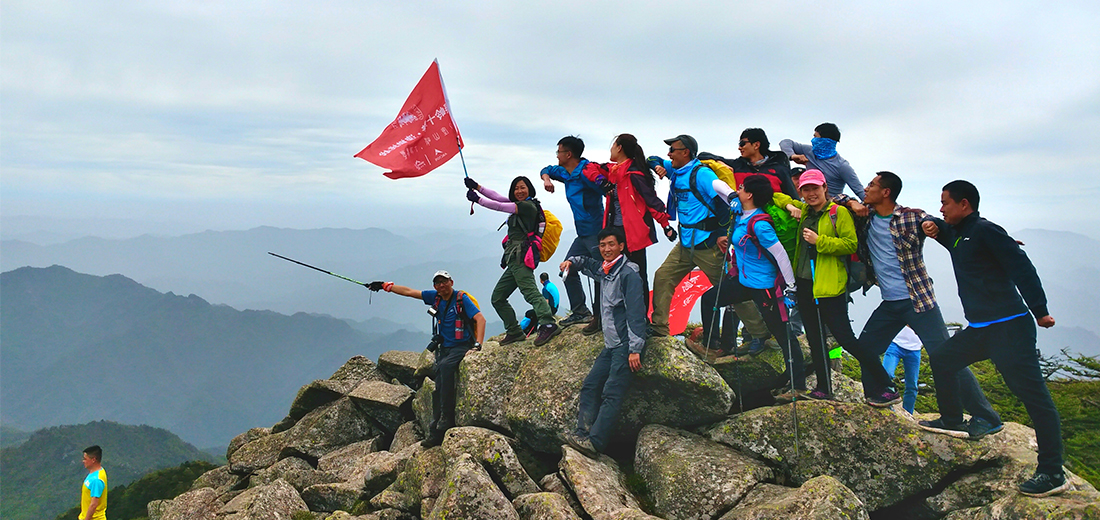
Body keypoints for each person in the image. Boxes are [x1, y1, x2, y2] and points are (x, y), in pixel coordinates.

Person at [922, 180, 1067, 497]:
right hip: (981, 329)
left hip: (1010, 328)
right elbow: (936, 224)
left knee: (1034, 398)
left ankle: (1052, 471)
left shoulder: (986, 231)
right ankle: (951, 419)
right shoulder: (957, 234)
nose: (942, 207)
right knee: (944, 359)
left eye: (946, 203)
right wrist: (928, 222)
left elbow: (1022, 269)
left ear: (964, 204)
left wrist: (1040, 310)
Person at [834, 171, 1002, 430]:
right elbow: (834, 197)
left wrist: (996, 243)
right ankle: (881, 395)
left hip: (918, 301)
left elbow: (947, 226)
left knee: (946, 357)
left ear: (886, 192)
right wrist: (851, 203)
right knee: (865, 348)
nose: (865, 189)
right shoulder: (865, 215)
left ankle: (986, 418)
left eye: (871, 185)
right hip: (890, 303)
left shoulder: (911, 216)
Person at [774, 170, 900, 405]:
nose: (811, 193)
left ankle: (886, 384)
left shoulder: (837, 213)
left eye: (815, 188)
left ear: (824, 188)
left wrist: (819, 241)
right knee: (814, 338)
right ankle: (824, 388)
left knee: (845, 339)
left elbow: (850, 244)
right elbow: (777, 197)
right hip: (805, 284)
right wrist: (792, 207)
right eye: (805, 189)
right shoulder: (805, 213)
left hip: (830, 286)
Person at [649, 134, 768, 342]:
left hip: (708, 246)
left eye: (672, 150)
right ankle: (659, 328)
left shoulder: (701, 174)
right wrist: (658, 165)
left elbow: (723, 203)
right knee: (663, 277)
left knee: (731, 292)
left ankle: (763, 335)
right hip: (686, 244)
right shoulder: (676, 170)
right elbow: (651, 159)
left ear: (685, 152)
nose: (669, 154)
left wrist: (723, 234)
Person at [368, 271, 486, 447]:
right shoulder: (436, 297)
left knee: (445, 368)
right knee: (438, 384)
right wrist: (386, 286)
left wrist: (477, 345)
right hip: (444, 347)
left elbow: (480, 319)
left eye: (444, 282)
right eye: (438, 283)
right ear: (435, 287)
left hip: (461, 346)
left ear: (451, 282)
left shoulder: (461, 299)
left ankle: (445, 421)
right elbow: (409, 292)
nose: (441, 285)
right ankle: (437, 430)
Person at [560, 227, 648, 457]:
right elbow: (587, 263)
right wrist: (570, 262)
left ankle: (595, 443)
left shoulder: (628, 274)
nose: (606, 249)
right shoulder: (606, 270)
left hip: (625, 345)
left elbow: (637, 312)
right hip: (611, 345)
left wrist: (635, 348)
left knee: (611, 393)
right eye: (602, 245)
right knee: (590, 385)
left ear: (621, 246)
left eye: (611, 244)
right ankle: (582, 433)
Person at [709, 175, 801, 389]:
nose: (737, 189)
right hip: (744, 282)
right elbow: (716, 185)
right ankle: (712, 347)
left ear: (749, 195)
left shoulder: (760, 224)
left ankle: (798, 383)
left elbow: (780, 255)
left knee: (783, 334)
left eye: (740, 188)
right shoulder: (740, 212)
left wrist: (791, 288)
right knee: (710, 298)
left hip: (764, 288)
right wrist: (732, 197)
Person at [584, 133, 676, 322]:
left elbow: (651, 201)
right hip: (613, 233)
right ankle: (609, 318)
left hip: (632, 235)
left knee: (637, 276)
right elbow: (588, 168)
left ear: (619, 148)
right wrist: (601, 181)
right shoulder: (613, 171)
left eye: (613, 146)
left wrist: (665, 224)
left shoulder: (634, 174)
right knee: (609, 273)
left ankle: (640, 319)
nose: (610, 149)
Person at [466, 176, 561, 346]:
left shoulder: (527, 206)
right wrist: (478, 187)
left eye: (523, 187)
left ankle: (548, 323)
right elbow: (497, 197)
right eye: (516, 188)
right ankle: (514, 331)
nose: (519, 191)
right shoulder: (520, 205)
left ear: (530, 189)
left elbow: (499, 206)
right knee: (498, 298)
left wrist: (478, 200)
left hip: (521, 258)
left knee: (530, 292)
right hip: (513, 259)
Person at [541, 136, 607, 332]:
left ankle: (602, 317)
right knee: (566, 269)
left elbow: (608, 192)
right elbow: (546, 170)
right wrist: (546, 180)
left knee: (601, 276)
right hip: (583, 235)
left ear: (568, 154)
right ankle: (581, 312)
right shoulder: (566, 173)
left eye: (559, 152)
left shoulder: (587, 174)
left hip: (597, 234)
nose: (557, 156)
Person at [699, 127, 799, 198]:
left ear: (756, 145)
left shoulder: (779, 169)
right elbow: (702, 155)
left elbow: (793, 198)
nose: (739, 147)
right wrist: (720, 162)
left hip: (771, 224)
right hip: (742, 222)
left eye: (742, 143)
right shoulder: (736, 165)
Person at [780, 122, 865, 201]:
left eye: (816, 137)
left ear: (825, 140)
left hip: (831, 205)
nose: (812, 140)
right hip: (809, 202)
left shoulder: (842, 166)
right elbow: (785, 142)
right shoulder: (809, 151)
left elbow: (859, 191)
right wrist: (792, 156)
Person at [882, 326, 922, 415]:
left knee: (912, 385)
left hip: (915, 349)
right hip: (895, 344)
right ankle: (886, 403)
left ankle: (908, 413)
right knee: (886, 374)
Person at [80, 445, 107, 520]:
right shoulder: (95, 472)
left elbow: (94, 504)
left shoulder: (97, 480)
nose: (83, 461)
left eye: (85, 459)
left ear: (93, 460)